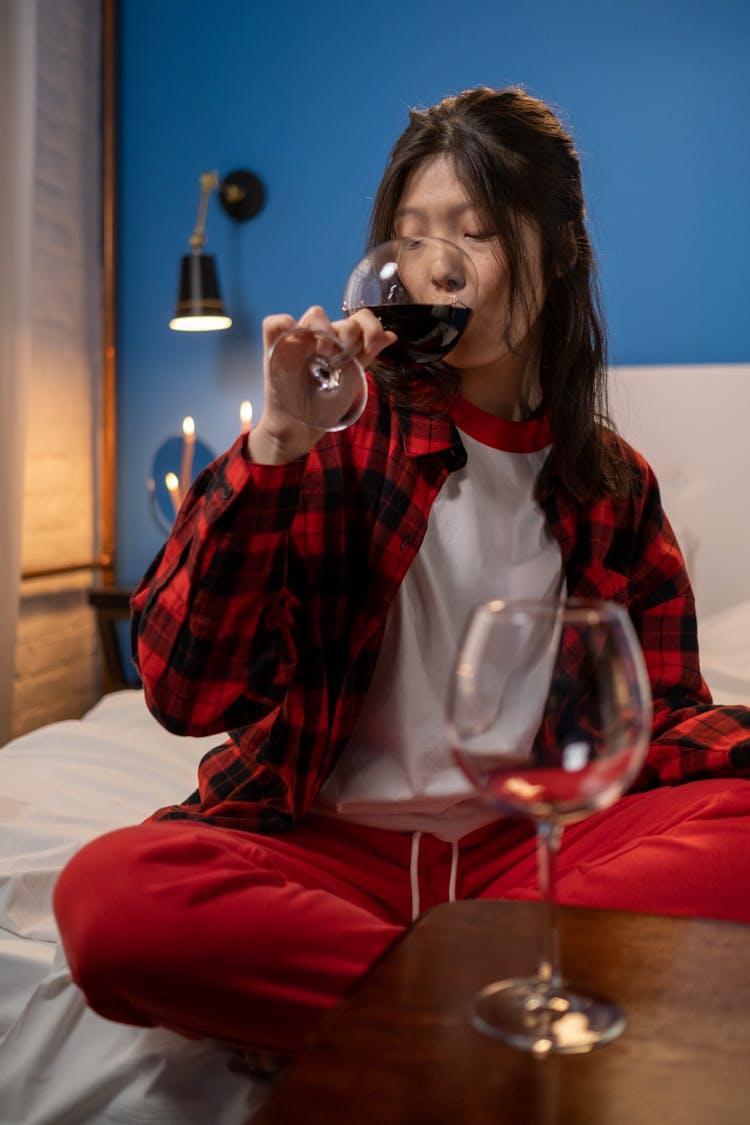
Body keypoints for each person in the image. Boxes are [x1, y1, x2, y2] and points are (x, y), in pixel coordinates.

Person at [54, 86, 750, 1063]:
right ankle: (505, 1002)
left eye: (476, 231)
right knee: (113, 901)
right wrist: (275, 445)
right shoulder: (336, 437)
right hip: (333, 859)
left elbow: (659, 714)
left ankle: (394, 1010)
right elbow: (182, 689)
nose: (437, 266)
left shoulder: (611, 484)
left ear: (557, 259)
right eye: (414, 237)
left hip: (538, 850)